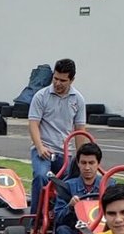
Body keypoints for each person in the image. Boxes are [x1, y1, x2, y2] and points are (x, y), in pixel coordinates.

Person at [27, 58, 86, 213]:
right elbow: (33, 124)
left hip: (65, 152)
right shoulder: (41, 96)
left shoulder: (78, 100)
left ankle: (61, 218)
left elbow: (80, 130)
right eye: (55, 78)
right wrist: (40, 147)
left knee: (71, 185)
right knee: (41, 177)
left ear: (72, 80)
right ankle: (35, 219)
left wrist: (82, 158)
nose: (58, 83)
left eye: (63, 80)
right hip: (44, 150)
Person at [51, 140, 105, 234]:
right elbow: (58, 219)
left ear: (98, 164)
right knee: (61, 230)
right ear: (78, 164)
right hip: (77, 232)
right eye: (83, 163)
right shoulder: (68, 187)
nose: (87, 167)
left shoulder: (108, 185)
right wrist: (70, 207)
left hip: (103, 232)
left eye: (91, 163)